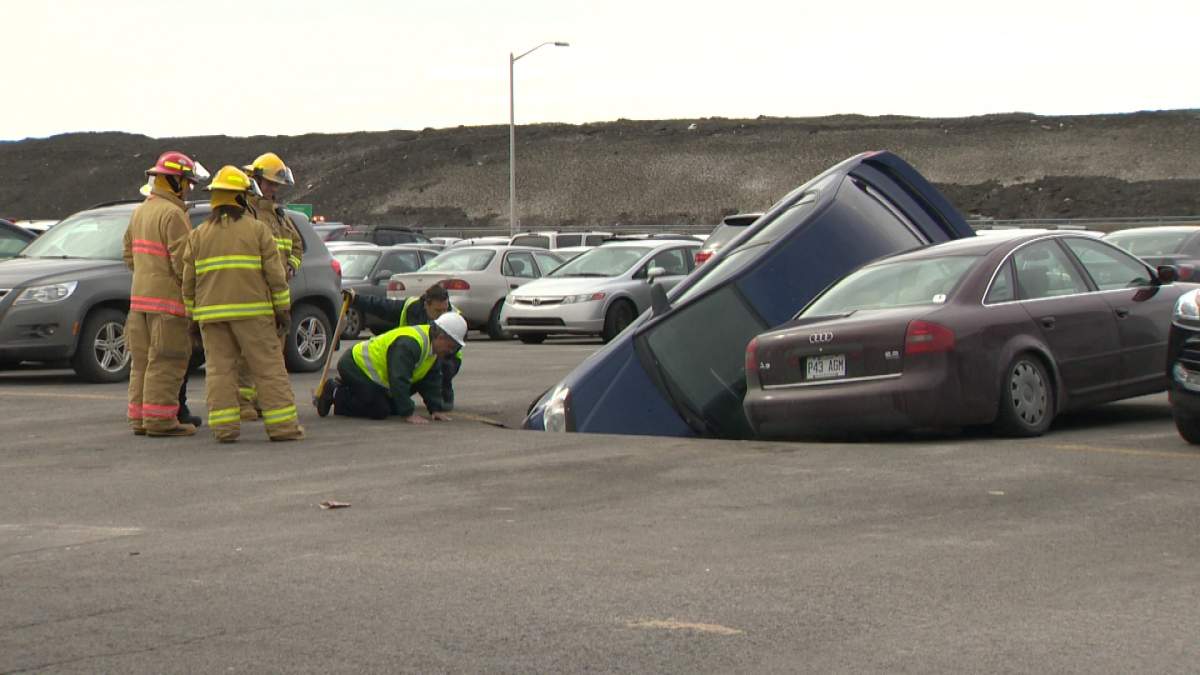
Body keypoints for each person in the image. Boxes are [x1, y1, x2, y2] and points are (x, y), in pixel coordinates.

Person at [181, 166, 304, 443]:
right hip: (254, 314)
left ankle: (225, 430)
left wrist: (191, 317)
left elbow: (188, 282)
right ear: (241, 198)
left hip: (211, 318)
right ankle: (283, 428)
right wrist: (282, 310)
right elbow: (276, 277)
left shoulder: (197, 236)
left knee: (219, 372)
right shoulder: (258, 231)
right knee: (269, 369)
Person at [123, 151, 207, 437]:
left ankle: (140, 419)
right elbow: (183, 262)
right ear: (173, 181)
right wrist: (192, 294)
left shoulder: (141, 210)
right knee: (167, 360)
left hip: (139, 302)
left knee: (142, 363)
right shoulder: (173, 213)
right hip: (167, 305)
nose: (187, 188)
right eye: (186, 182)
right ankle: (160, 421)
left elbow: (128, 254)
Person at [235, 152, 302, 420]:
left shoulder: (279, 216)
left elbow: (296, 246)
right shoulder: (246, 213)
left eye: (277, 186)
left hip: (278, 293)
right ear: (255, 180)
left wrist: (292, 265)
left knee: (273, 352)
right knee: (248, 353)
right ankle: (244, 403)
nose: (274, 190)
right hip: (255, 293)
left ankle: (265, 400)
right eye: (270, 184)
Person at [314, 312, 467, 423]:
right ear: (441, 337)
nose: (451, 351)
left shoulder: (432, 350)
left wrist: (435, 409)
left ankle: (348, 398)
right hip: (355, 365)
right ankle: (334, 391)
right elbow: (399, 379)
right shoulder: (410, 344)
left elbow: (430, 381)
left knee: (393, 407)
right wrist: (408, 413)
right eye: (451, 346)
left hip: (375, 376)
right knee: (379, 410)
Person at [343, 284, 463, 409]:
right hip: (405, 355)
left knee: (436, 367)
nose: (443, 315)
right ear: (426, 305)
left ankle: (440, 396)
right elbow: (382, 306)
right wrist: (356, 299)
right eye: (437, 311)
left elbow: (450, 349)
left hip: (448, 359)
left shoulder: (455, 318)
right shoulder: (411, 307)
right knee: (389, 400)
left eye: (445, 310)